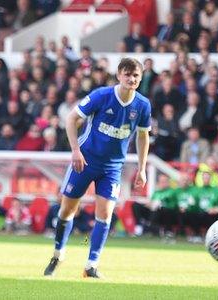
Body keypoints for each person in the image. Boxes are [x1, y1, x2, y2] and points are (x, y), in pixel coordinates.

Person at [43, 58, 151, 278]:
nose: (131, 79)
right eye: (127, 74)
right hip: (85, 161)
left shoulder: (142, 105)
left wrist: (142, 167)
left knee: (105, 213)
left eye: (136, 75)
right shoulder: (102, 96)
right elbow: (72, 118)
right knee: (67, 210)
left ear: (140, 78)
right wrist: (75, 150)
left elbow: (143, 135)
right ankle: (58, 254)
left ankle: (91, 265)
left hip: (112, 167)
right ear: (119, 74)